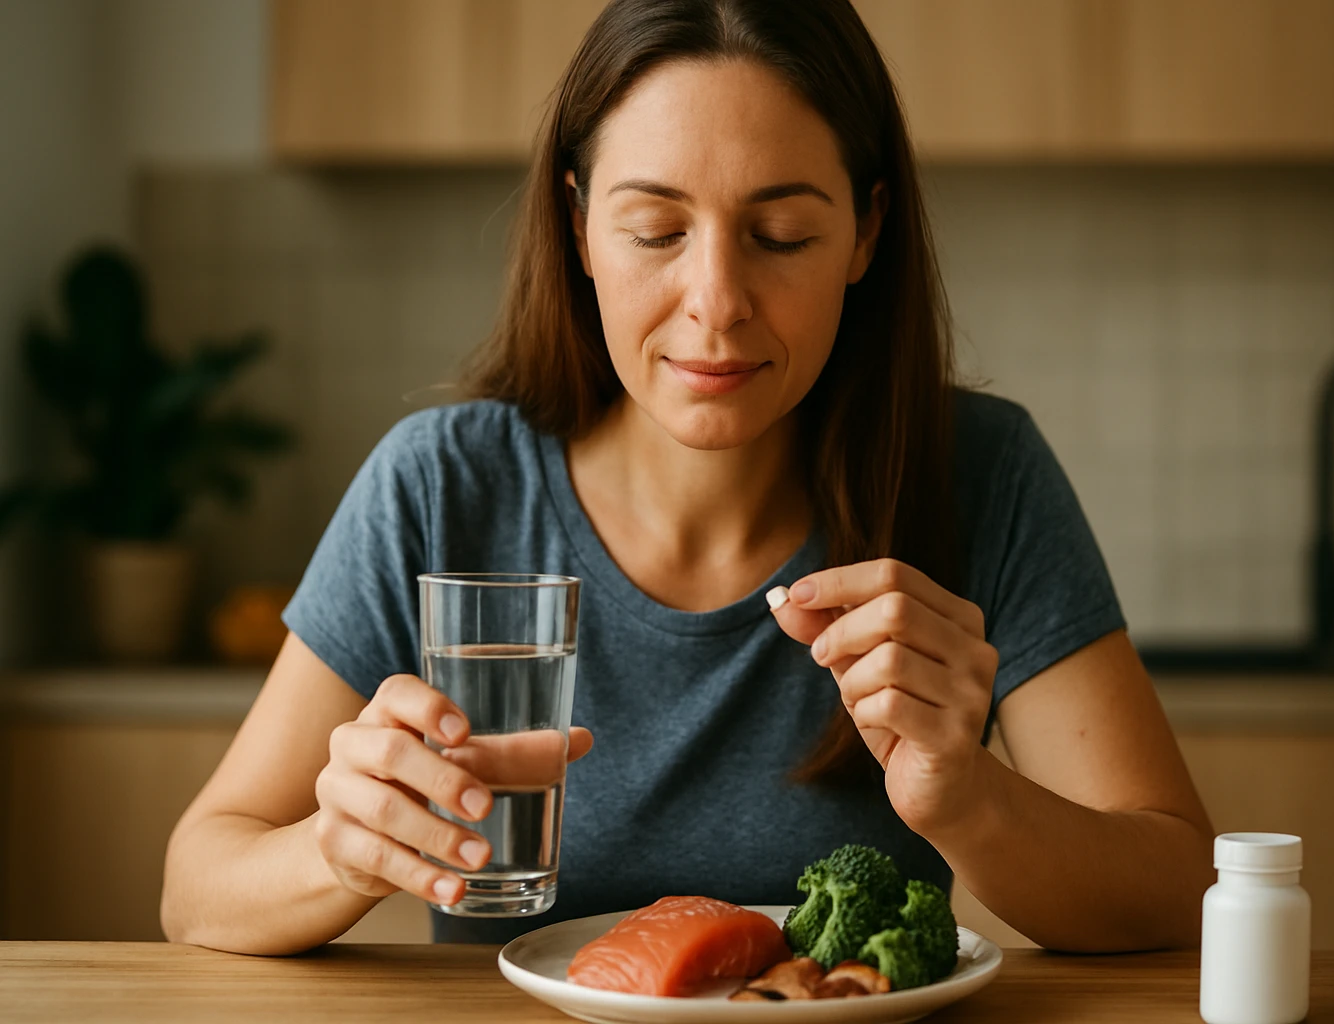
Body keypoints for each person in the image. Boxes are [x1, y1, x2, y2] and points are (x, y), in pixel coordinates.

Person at [161, 0, 1214, 957]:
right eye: (655, 230)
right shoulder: (443, 484)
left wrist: (970, 798)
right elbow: (198, 883)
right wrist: (337, 851)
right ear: (577, 225)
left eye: (781, 235)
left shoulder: (978, 472)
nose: (715, 301)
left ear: (867, 230)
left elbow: (1180, 885)